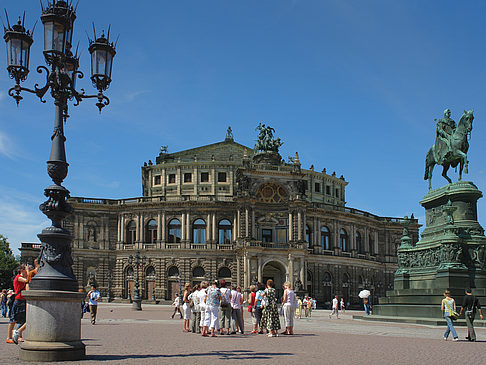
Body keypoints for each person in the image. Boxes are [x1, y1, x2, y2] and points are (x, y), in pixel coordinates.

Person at [7, 264, 28, 344]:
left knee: (21, 319)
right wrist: (29, 271)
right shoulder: (18, 277)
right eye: (26, 269)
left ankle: (19, 335)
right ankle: (9, 337)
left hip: (22, 300)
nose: (27, 271)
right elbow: (26, 281)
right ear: (22, 270)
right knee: (13, 319)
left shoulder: (22, 277)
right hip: (18, 300)